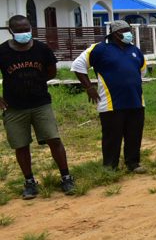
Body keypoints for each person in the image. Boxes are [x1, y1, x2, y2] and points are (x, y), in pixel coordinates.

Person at [0, 15, 75, 199]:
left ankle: (66, 177)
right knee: (21, 145)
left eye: (27, 28)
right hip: (14, 106)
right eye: (19, 30)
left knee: (54, 139)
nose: (24, 33)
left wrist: (36, 84)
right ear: (11, 31)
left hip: (41, 103)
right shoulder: (2, 51)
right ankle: (29, 182)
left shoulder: (41, 49)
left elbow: (51, 71)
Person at [72, 20, 147, 174]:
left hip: (135, 100)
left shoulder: (135, 50)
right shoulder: (100, 49)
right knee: (112, 136)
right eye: (125, 31)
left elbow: (142, 71)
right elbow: (78, 66)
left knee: (134, 133)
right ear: (115, 34)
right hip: (111, 102)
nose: (129, 34)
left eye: (129, 30)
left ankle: (133, 163)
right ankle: (110, 166)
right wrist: (88, 87)